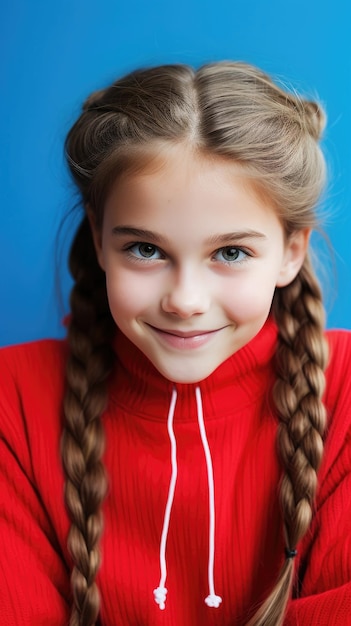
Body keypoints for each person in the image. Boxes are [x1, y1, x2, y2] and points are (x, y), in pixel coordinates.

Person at [1, 61, 351, 626]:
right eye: (145, 249)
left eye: (231, 253)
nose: (185, 300)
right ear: (98, 237)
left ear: (291, 251)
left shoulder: (345, 391)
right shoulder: (12, 400)